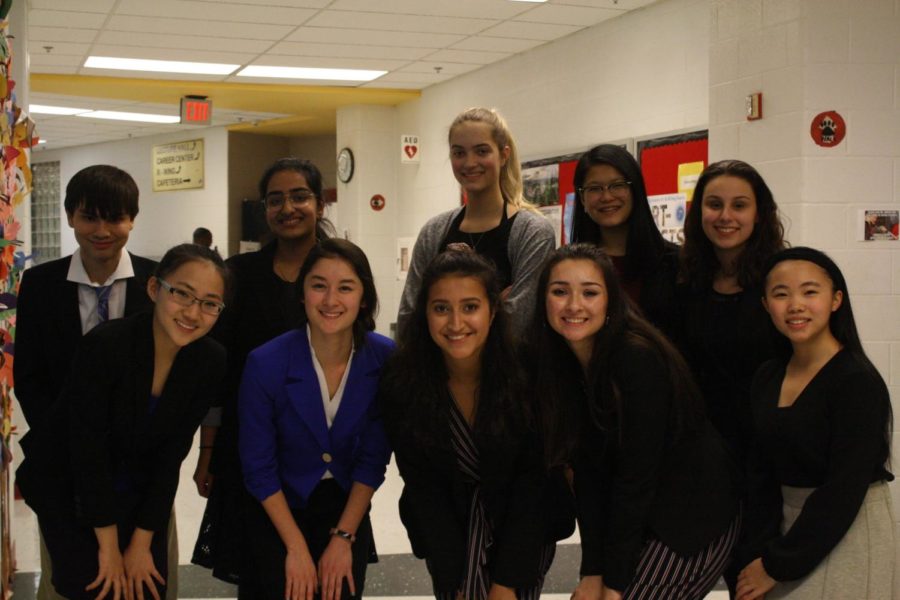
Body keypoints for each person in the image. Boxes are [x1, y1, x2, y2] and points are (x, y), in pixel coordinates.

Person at [16, 243, 229, 600]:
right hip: (68, 482)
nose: (193, 312)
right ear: (153, 289)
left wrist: (142, 542)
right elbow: (88, 451)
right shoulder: (106, 346)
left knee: (146, 583)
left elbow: (171, 454)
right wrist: (110, 548)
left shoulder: (209, 360)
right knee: (96, 584)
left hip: (137, 483)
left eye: (210, 303)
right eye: (182, 293)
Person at [531, 244, 739, 600]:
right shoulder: (561, 365)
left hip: (690, 520)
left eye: (590, 292)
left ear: (611, 300)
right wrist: (592, 571)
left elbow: (636, 478)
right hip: (642, 517)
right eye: (560, 291)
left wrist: (615, 580)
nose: (573, 305)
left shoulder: (635, 358)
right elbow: (589, 476)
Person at [382, 246, 574, 600]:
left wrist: (506, 583)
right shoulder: (403, 383)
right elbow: (425, 488)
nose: (456, 324)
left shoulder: (527, 373)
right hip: (447, 525)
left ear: (493, 310)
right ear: (424, 312)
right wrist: (454, 578)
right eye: (441, 308)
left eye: (470, 307)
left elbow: (532, 483)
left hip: (524, 523)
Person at [13, 164, 164, 600]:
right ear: (69, 217)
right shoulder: (41, 284)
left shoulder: (157, 284)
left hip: (138, 470)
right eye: (88, 217)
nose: (102, 230)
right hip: (63, 469)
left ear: (132, 219)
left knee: (144, 583)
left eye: (115, 218)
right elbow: (31, 379)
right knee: (73, 583)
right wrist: (72, 444)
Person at [192, 157, 335, 595]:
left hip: (324, 452)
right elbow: (219, 369)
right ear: (265, 209)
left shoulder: (338, 268)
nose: (288, 208)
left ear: (319, 204)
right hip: (251, 452)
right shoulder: (238, 275)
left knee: (328, 575)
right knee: (262, 578)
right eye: (276, 200)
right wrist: (208, 453)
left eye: (299, 197)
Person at [239, 238, 393, 600]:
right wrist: (294, 548)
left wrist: (343, 538)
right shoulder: (266, 363)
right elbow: (258, 466)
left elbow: (373, 459)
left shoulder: (384, 359)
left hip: (346, 507)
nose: (330, 301)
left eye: (345, 287)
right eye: (318, 285)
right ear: (302, 293)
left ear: (364, 297)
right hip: (277, 509)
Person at [736, 247, 894, 600]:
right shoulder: (768, 375)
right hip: (787, 532)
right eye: (781, 294)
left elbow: (844, 488)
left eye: (810, 291)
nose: (796, 305)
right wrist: (759, 554)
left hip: (848, 527)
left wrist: (778, 564)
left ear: (836, 299)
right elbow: (760, 474)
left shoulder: (856, 381)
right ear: (765, 304)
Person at [398, 107, 556, 337]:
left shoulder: (532, 233)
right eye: (459, 153)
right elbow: (408, 318)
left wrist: (438, 315)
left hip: (507, 371)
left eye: (482, 151)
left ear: (503, 155)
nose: (469, 163)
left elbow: (520, 322)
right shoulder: (434, 232)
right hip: (439, 372)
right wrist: (496, 307)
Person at [677, 159, 786, 468]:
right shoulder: (684, 280)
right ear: (699, 212)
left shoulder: (780, 281)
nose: (725, 216)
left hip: (766, 450)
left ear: (759, 214)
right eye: (714, 204)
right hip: (702, 449)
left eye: (739, 205)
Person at [568, 144, 680, 337]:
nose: (606, 196)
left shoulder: (675, 263)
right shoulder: (570, 267)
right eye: (595, 188)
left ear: (635, 189)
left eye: (617, 185)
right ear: (582, 198)